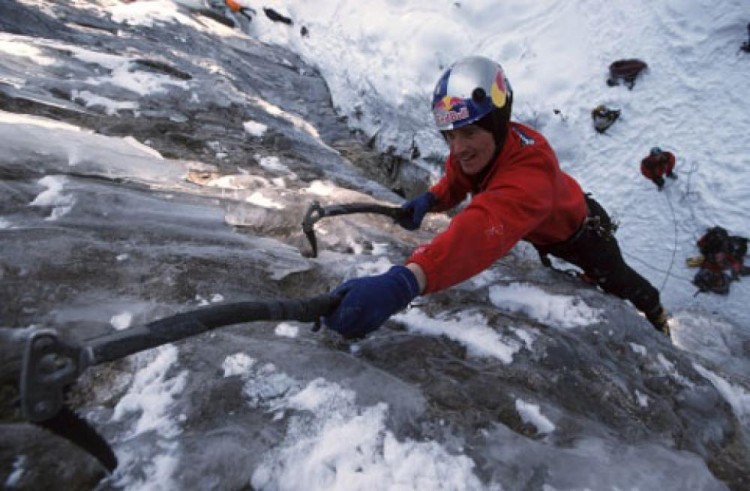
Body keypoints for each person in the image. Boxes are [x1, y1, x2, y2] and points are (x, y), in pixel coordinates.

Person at [323, 55, 670, 339]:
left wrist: (405, 281)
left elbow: (482, 229)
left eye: (468, 133)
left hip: (585, 236)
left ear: (497, 123)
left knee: (619, 281)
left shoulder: (530, 173)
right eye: (449, 136)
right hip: (549, 233)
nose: (457, 149)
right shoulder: (484, 148)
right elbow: (457, 179)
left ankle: (655, 313)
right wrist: (431, 200)